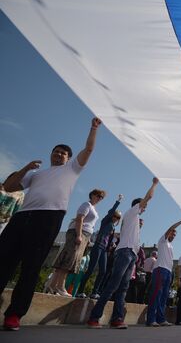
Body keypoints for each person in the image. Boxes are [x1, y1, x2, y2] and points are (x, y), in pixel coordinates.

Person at [0, 117, 102, 331]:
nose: (58, 154)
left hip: (48, 218)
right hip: (22, 216)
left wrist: (93, 128)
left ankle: (14, 314)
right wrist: (26, 167)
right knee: (3, 261)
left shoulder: (72, 169)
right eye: (55, 151)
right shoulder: (36, 174)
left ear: (68, 158)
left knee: (31, 266)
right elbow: (9, 187)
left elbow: (89, 149)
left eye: (62, 153)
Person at [87, 177, 159, 329]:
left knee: (123, 288)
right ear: (138, 205)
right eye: (143, 206)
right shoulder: (133, 212)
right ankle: (94, 317)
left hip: (131, 255)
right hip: (124, 253)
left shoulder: (135, 219)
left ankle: (117, 319)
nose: (144, 209)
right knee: (113, 285)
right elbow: (149, 197)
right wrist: (154, 184)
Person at [48, 189, 106, 297]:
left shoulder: (94, 209)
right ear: (92, 195)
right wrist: (79, 234)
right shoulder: (86, 204)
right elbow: (80, 218)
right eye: (98, 196)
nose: (99, 199)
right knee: (69, 259)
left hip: (85, 234)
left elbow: (91, 224)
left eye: (101, 197)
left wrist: (88, 238)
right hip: (78, 232)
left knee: (70, 259)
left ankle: (52, 285)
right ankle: (60, 286)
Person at [76, 195, 123, 299]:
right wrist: (118, 202)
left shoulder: (113, 227)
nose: (116, 218)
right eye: (115, 216)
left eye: (118, 217)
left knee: (103, 271)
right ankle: (80, 291)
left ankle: (95, 292)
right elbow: (111, 212)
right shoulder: (105, 221)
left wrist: (111, 245)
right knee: (91, 269)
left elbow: (109, 238)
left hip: (104, 250)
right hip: (97, 246)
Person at [146, 217, 181, 327]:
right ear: (168, 233)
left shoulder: (171, 246)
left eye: (175, 235)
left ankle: (160, 319)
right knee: (156, 294)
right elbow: (170, 228)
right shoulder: (162, 240)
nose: (173, 236)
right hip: (160, 269)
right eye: (172, 234)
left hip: (168, 272)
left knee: (164, 297)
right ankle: (151, 319)